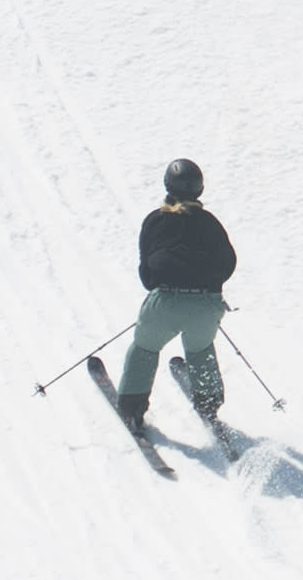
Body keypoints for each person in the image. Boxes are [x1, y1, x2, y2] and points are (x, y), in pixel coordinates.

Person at [117, 158, 236, 430]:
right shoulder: (210, 223)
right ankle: (209, 403)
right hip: (206, 307)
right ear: (200, 189)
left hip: (165, 304)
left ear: (167, 185)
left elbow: (147, 274)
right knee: (200, 348)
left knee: (145, 348)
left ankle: (132, 408)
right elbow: (228, 263)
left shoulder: (156, 221)